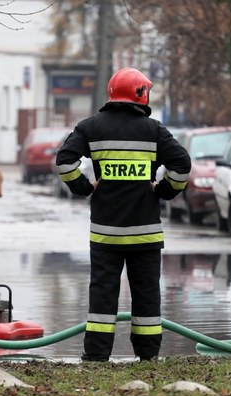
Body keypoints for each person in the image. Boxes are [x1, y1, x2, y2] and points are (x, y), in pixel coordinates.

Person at [55, 67, 192, 362]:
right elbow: (182, 164)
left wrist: (85, 187)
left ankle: (97, 355)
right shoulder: (154, 130)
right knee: (146, 295)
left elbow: (64, 161)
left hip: (105, 233)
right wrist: (163, 191)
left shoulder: (90, 127)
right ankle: (147, 356)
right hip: (146, 233)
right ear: (141, 94)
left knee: (103, 295)